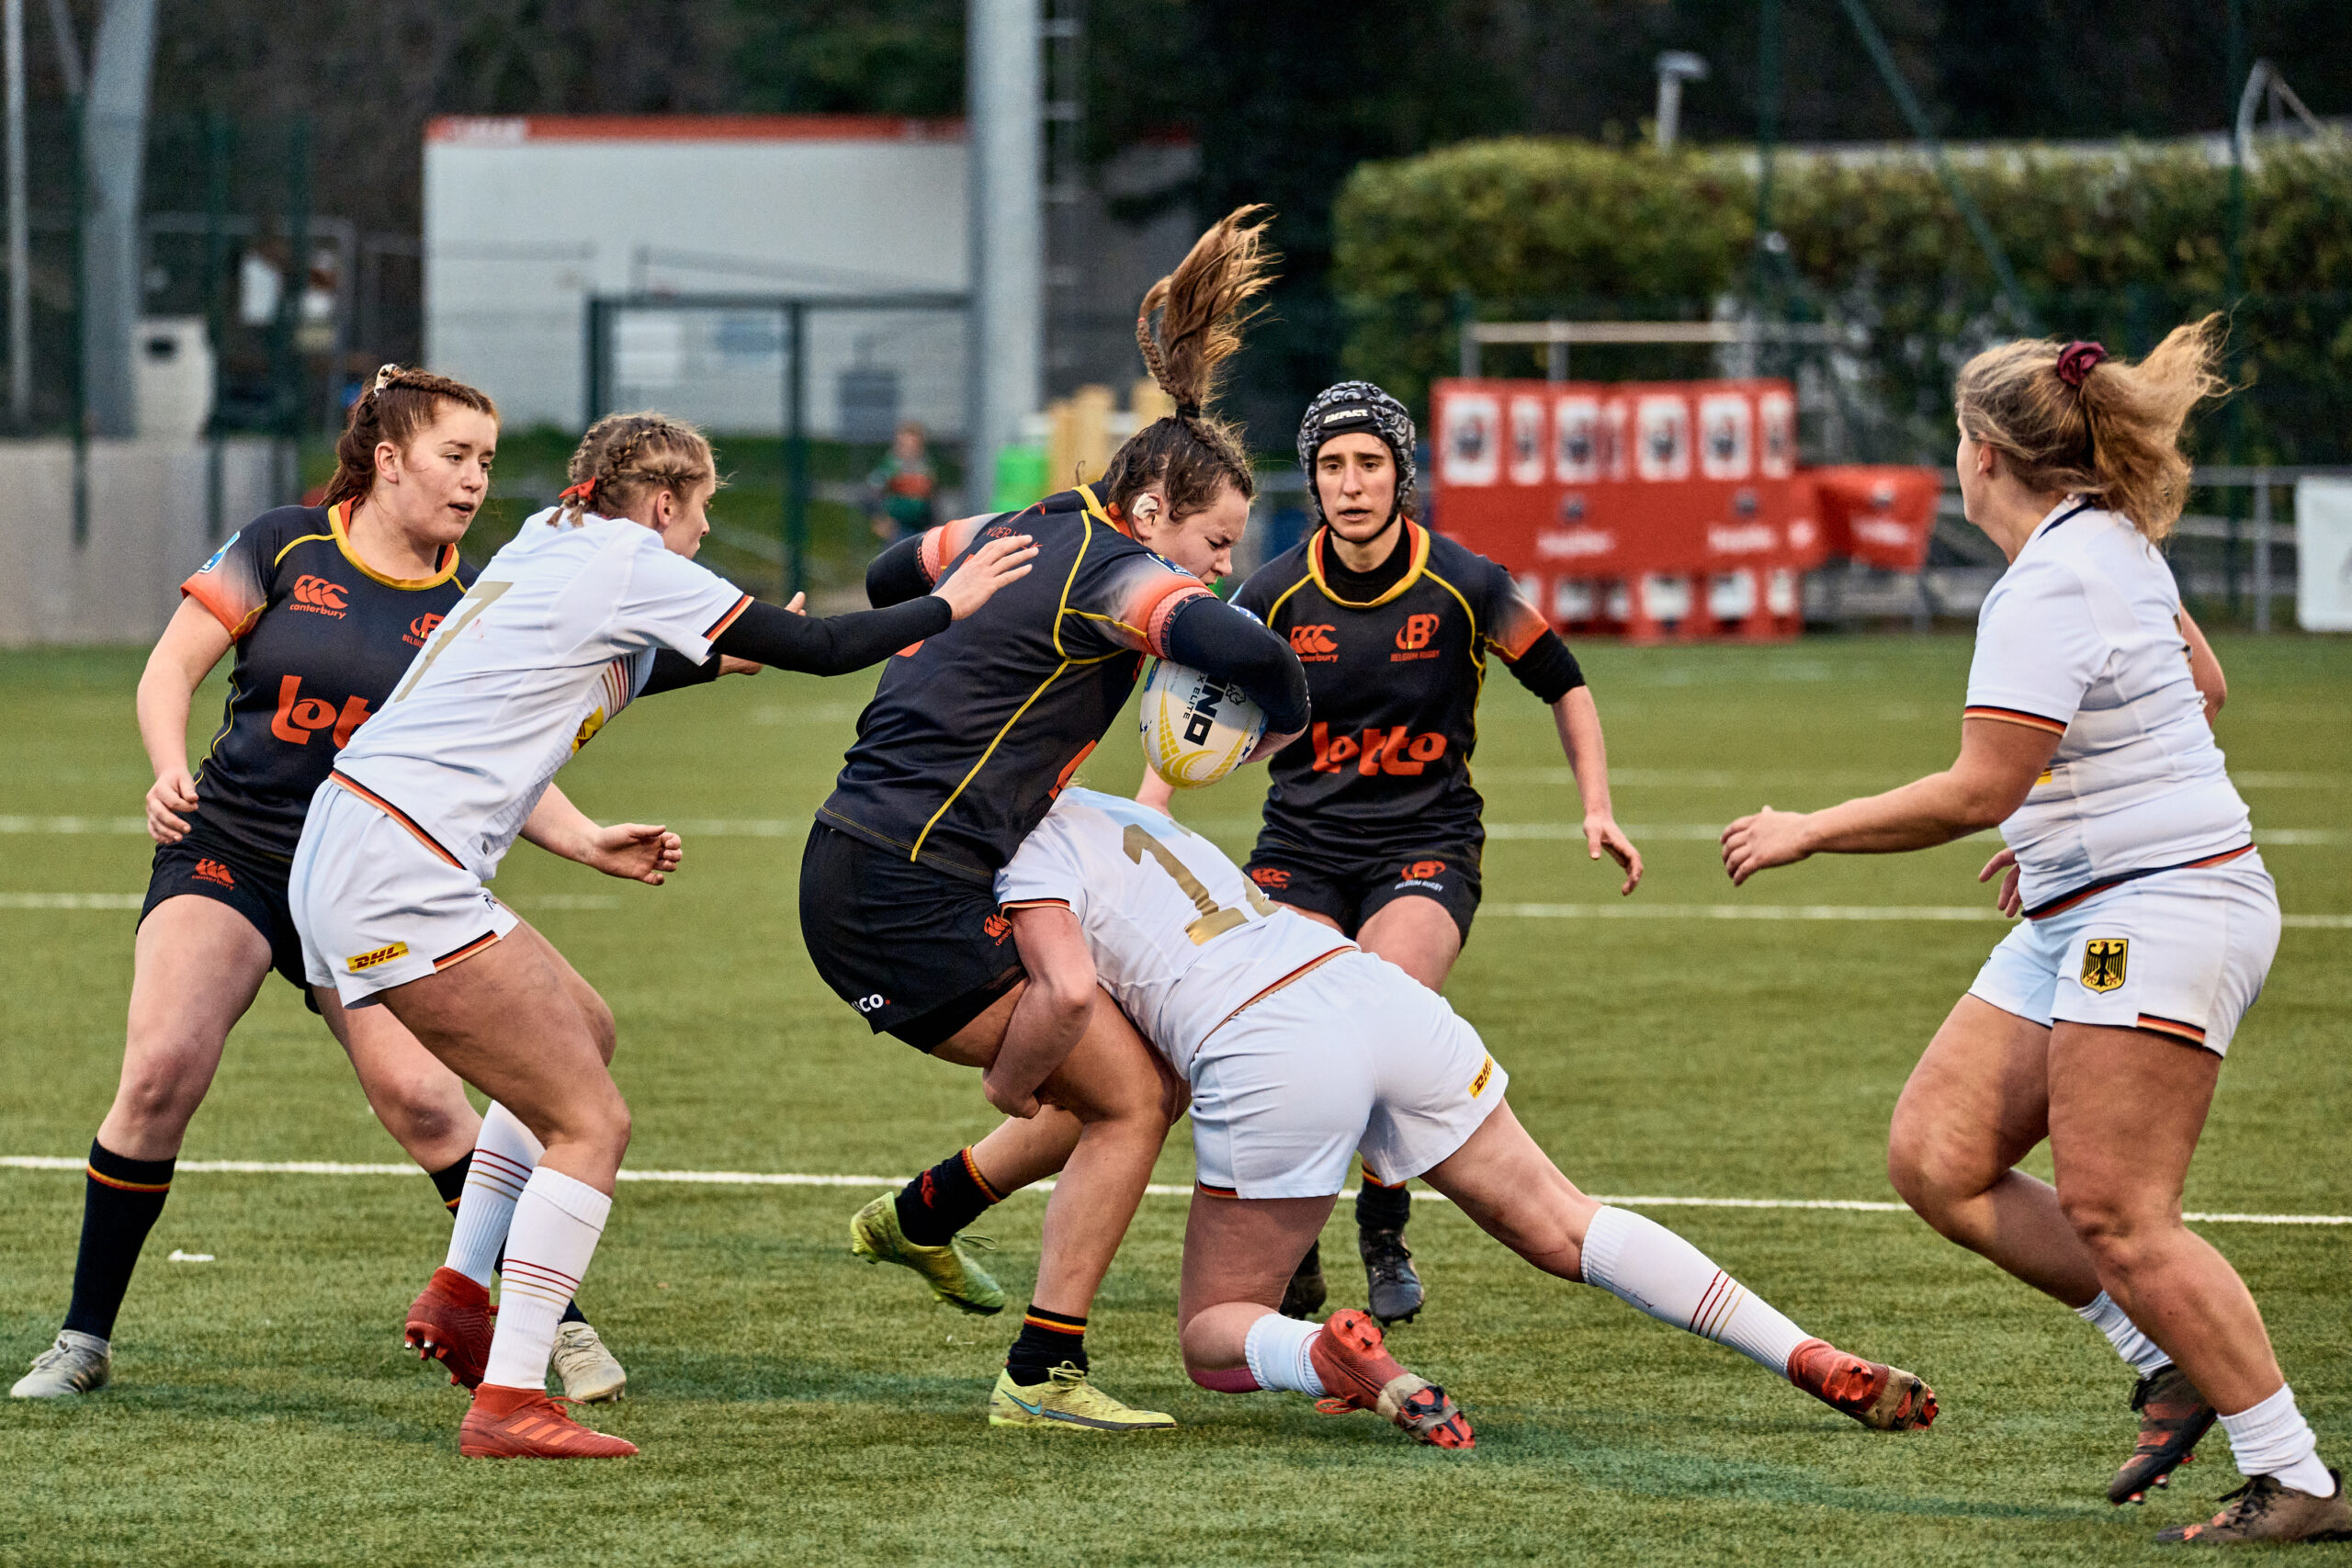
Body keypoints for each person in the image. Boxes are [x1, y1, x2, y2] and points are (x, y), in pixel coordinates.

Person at [290, 411, 1035, 1459]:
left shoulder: (551, 538)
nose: (698, 539)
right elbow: (821, 649)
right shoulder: (631, 554)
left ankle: (463, 1290)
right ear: (660, 502)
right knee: (590, 1124)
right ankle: (508, 1402)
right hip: (397, 867)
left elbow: (610, 662)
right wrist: (946, 605)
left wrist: (717, 657)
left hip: (365, 842)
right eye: (699, 517)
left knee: (580, 1033)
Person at [1720, 321, 2348, 1547]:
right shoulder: (2108, 540)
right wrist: (2068, 815)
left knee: (2123, 1211)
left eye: (1957, 438)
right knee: (1939, 1152)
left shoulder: (2050, 583)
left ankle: (2300, 1471)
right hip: (2098, 895)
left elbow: (1972, 788)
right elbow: (2197, 688)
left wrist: (1808, 827)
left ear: (1984, 456)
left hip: (2160, 906)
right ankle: (2163, 1357)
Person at [10, 367, 617, 1404]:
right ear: (389, 460)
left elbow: (503, 767)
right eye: (454, 456)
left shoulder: (476, 605)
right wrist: (167, 765)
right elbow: (171, 669)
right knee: (160, 1074)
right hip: (234, 850)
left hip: (372, 881)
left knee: (428, 1104)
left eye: (486, 460)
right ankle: (82, 1339)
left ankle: (548, 1318)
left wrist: (589, 837)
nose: (475, 480)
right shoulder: (284, 543)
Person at [994, 787, 1936, 1448]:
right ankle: (1798, 1351)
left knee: (1212, 1330)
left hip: (1264, 1043)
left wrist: (1012, 1082)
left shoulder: (1017, 849)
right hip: (1370, 991)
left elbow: (1067, 993)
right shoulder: (1118, 808)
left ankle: (1330, 1356)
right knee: (1568, 1223)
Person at [811, 207, 1311, 1431]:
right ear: (1149, 506)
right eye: (1210, 543)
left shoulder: (1013, 528)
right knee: (1132, 1097)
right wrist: (1280, 709)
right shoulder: (1118, 573)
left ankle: (925, 1216)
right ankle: (1042, 1375)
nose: (1211, 567)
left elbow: (891, 572)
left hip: (885, 854)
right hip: (902, 882)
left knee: (1127, 1080)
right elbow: (1235, 646)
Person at [1137, 379, 1644, 1326]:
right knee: (1272, 1029)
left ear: (1400, 474)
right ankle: (1295, 1253)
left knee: (1385, 1000)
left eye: (1369, 463)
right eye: (1332, 464)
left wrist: (1597, 807)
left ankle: (1382, 1219)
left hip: (1425, 844)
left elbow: (1564, 684)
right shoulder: (1271, 591)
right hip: (1300, 847)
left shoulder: (1467, 582)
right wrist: (1150, 817)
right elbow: (1191, 708)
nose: (1350, 482)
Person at [867, 421, 939, 542]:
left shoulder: (925, 469)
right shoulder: (890, 467)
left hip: (921, 528)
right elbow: (870, 494)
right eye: (905, 445)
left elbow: (932, 500)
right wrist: (879, 519)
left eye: (914, 446)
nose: (909, 450)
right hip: (898, 529)